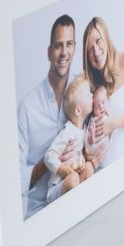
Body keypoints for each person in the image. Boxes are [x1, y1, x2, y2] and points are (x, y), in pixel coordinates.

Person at [17, 15, 81, 218]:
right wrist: (47, 164)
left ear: (75, 48)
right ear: (49, 52)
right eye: (58, 46)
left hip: (77, 203)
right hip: (39, 213)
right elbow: (15, 180)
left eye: (69, 44)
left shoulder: (82, 91)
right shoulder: (28, 107)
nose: (64, 52)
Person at [81, 17, 124, 166]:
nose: (96, 51)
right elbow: (86, 129)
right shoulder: (92, 84)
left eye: (98, 41)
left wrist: (113, 123)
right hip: (105, 168)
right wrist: (87, 153)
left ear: (106, 37)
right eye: (89, 49)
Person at [42, 75, 95, 203]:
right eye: (88, 94)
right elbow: (49, 156)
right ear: (78, 110)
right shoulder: (68, 131)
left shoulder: (85, 129)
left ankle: (88, 200)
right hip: (58, 187)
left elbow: (87, 153)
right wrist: (64, 170)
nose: (92, 96)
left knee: (88, 167)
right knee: (73, 179)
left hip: (75, 178)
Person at [84, 84, 110, 169]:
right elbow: (89, 129)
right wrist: (91, 137)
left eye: (103, 102)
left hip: (103, 144)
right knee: (89, 137)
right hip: (93, 143)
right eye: (97, 106)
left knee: (106, 143)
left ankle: (96, 159)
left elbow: (112, 121)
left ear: (108, 101)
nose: (101, 107)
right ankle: (91, 142)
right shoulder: (93, 119)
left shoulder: (108, 115)